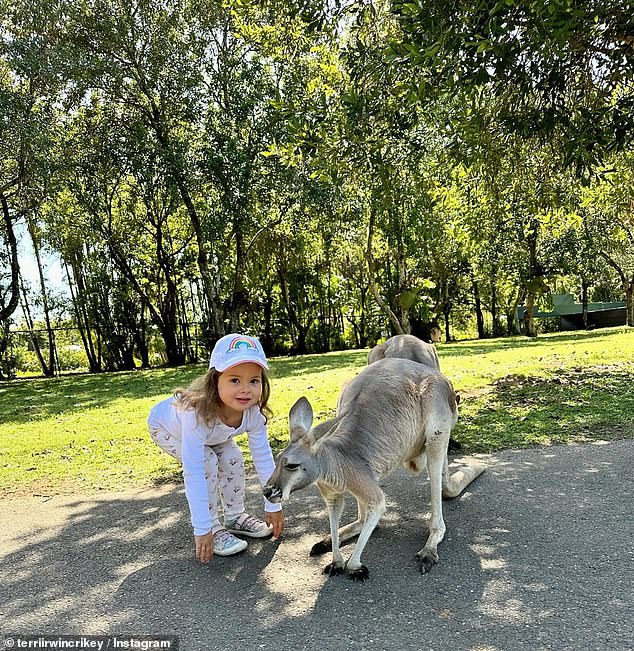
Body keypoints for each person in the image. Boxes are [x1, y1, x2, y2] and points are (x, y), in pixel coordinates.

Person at [147, 333, 284, 563]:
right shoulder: (197, 416)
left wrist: (274, 503)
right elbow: (194, 471)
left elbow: (264, 459)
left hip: (211, 435)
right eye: (234, 380)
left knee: (232, 455)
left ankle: (235, 517)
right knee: (207, 460)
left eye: (254, 380)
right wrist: (202, 529)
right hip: (166, 428)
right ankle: (213, 526)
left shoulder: (252, 415)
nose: (245, 389)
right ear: (215, 381)